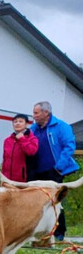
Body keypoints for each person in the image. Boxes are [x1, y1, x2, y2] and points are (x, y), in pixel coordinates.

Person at [30, 101, 79, 241]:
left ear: (46, 113)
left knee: (55, 200)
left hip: (54, 171)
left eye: (36, 113)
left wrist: (59, 167)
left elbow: (69, 147)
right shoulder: (33, 129)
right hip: (37, 171)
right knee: (38, 202)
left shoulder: (61, 127)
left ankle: (59, 231)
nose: (34, 116)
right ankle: (40, 230)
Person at [0, 113, 38, 183]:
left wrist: (22, 139)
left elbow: (31, 152)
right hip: (7, 179)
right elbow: (5, 160)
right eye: (15, 122)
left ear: (26, 124)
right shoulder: (7, 140)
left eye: (20, 121)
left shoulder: (32, 139)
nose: (17, 123)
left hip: (23, 179)